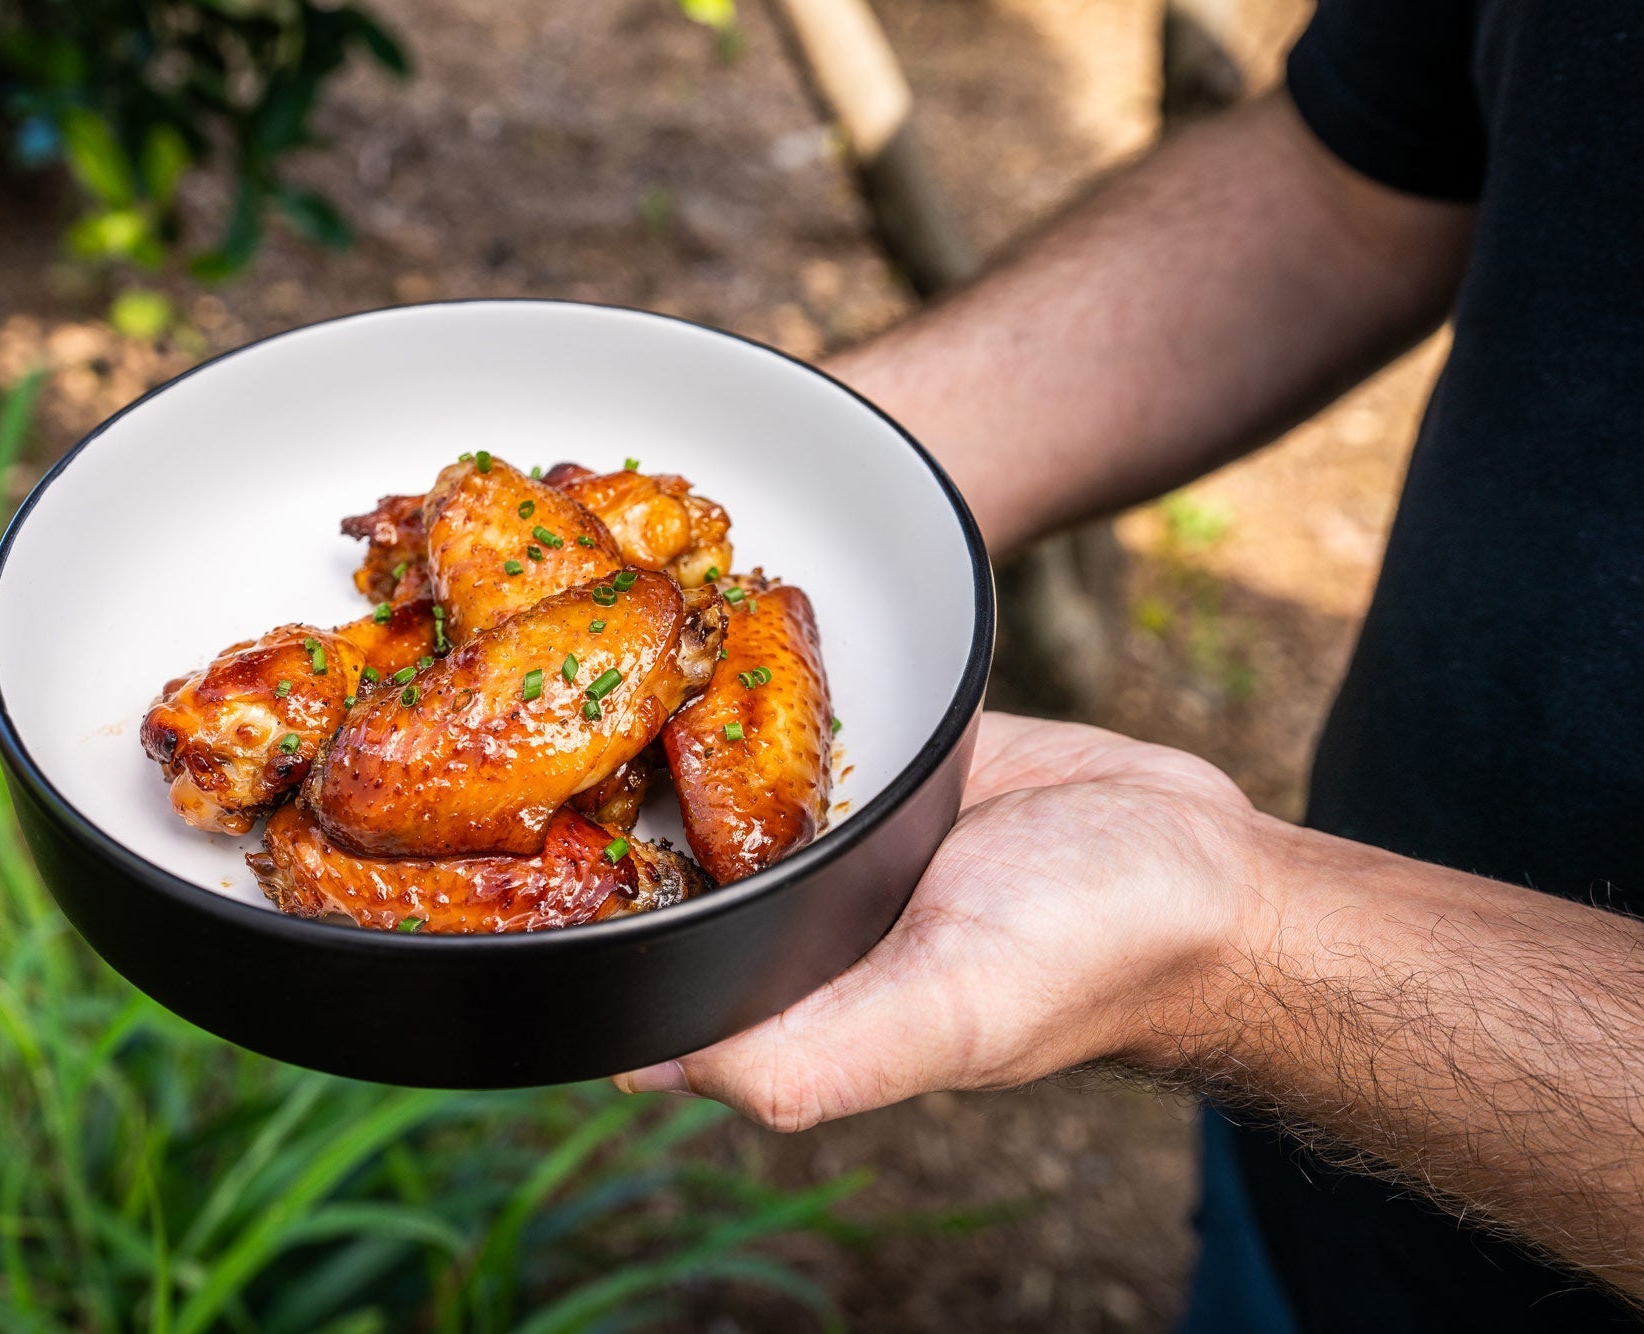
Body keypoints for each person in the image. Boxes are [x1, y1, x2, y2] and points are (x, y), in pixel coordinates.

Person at [616, 3, 1644, 1329]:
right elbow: (1356, 182)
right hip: (1318, 1175)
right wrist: (826, 473)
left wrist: (1256, 944)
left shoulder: (1250, 939)